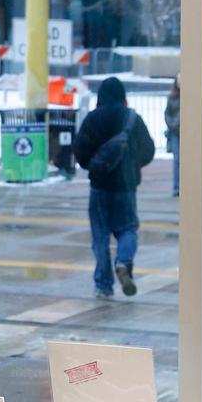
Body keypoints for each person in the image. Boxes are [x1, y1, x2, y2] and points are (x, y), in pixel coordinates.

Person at [74, 76, 156, 299]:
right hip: (126, 186)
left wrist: (95, 164)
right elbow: (148, 149)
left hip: (100, 186)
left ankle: (103, 286)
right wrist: (131, 164)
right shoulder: (132, 118)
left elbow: (80, 151)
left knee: (100, 236)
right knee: (127, 229)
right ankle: (123, 261)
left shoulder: (93, 119)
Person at [164, 76, 180, 197]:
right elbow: (167, 113)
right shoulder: (172, 97)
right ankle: (176, 186)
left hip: (187, 132)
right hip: (175, 132)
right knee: (177, 159)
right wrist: (172, 124)